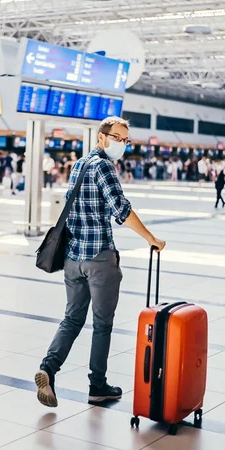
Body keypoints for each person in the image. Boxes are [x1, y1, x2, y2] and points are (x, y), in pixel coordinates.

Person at [35, 116, 166, 408]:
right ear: (101, 138)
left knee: (71, 318)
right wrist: (151, 238)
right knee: (102, 325)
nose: (121, 144)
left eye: (125, 139)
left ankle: (48, 368)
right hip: (99, 260)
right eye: (117, 138)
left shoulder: (80, 164)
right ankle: (97, 386)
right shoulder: (104, 166)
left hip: (73, 260)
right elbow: (121, 209)